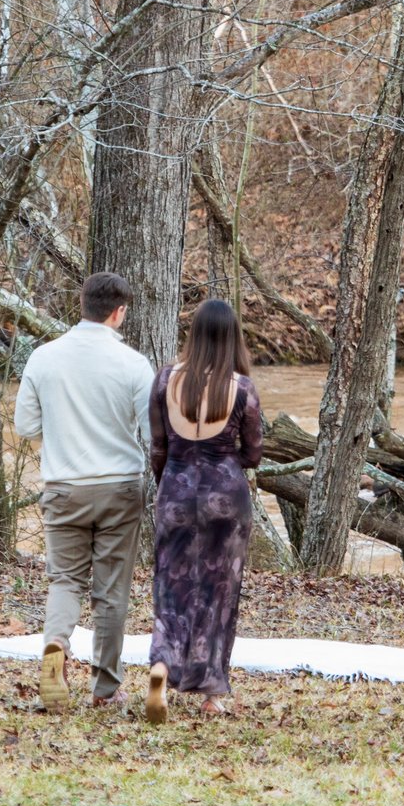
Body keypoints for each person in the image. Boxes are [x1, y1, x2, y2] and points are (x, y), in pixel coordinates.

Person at [14, 272, 156, 712]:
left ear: (82, 305)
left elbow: (25, 426)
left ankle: (56, 643)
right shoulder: (134, 364)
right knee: (111, 589)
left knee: (65, 580)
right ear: (119, 312)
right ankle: (105, 688)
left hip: (63, 485)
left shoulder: (44, 357)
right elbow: (153, 435)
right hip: (118, 487)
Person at [144, 297, 263, 723]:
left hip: (176, 491)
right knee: (219, 593)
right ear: (233, 337)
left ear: (192, 334)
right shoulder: (242, 389)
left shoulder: (164, 381)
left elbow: (158, 448)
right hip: (226, 498)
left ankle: (161, 666)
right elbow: (253, 454)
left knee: (171, 589)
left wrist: (171, 483)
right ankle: (211, 693)